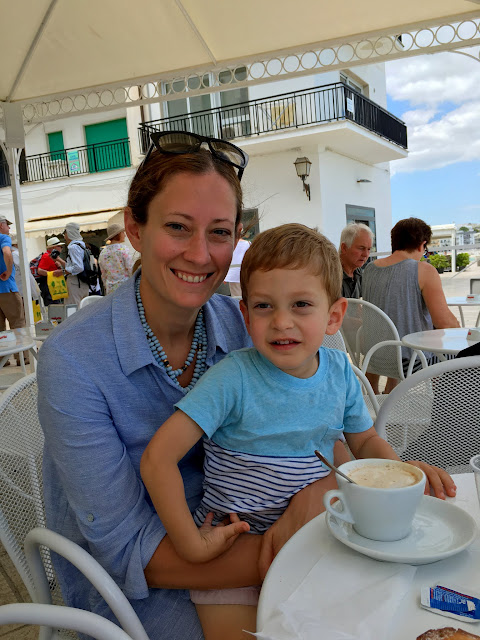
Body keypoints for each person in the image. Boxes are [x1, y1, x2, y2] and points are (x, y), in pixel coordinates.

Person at [37, 131, 366, 639]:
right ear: (135, 228)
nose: (199, 254)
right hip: (142, 588)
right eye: (177, 227)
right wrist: (302, 544)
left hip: (257, 536)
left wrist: (321, 489)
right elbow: (131, 552)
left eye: (218, 232)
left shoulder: (248, 324)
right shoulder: (74, 360)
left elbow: (321, 426)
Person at [140, 223, 456, 640]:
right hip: (233, 553)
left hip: (319, 539)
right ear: (245, 314)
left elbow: (364, 441)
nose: (281, 322)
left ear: (334, 316)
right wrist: (190, 545)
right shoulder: (232, 378)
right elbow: (157, 459)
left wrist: (400, 474)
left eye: (301, 304)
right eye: (264, 306)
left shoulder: (339, 372)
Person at [362, 217, 460, 394]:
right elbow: (444, 322)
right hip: (411, 361)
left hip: (374, 356)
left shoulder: (369, 269)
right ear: (422, 245)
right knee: (457, 353)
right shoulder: (424, 270)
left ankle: (389, 395)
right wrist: (463, 332)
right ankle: (444, 405)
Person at [0, 216, 29, 360]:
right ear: (1, 225)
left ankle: (2, 359)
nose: (9, 228)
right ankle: (22, 357)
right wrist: (9, 270)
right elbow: (6, 252)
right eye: (7, 225)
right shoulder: (3, 238)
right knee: (18, 323)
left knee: (0, 329)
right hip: (7, 288)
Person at [54, 222, 91, 305]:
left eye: (65, 232)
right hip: (84, 282)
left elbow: (78, 267)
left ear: (68, 233)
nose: (64, 235)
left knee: (73, 308)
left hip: (75, 283)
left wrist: (63, 272)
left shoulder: (73, 247)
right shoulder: (82, 245)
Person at [98, 217, 133, 294]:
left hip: (111, 288)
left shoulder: (103, 252)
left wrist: (106, 286)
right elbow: (130, 268)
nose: (125, 235)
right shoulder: (123, 249)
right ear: (118, 234)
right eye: (123, 233)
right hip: (125, 286)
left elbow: (103, 274)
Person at [339, 222, 373, 298]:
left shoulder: (358, 272)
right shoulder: (330, 276)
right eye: (361, 248)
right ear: (344, 248)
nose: (366, 254)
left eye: (369, 249)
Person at [37, 236, 65, 307]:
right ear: (54, 247)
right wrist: (53, 273)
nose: (61, 248)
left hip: (51, 286)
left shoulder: (52, 256)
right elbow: (40, 271)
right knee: (53, 307)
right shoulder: (47, 256)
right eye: (60, 246)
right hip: (48, 286)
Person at [224, 231, 250, 296]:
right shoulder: (247, 244)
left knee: (236, 296)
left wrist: (225, 276)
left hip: (233, 273)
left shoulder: (230, 244)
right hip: (244, 273)